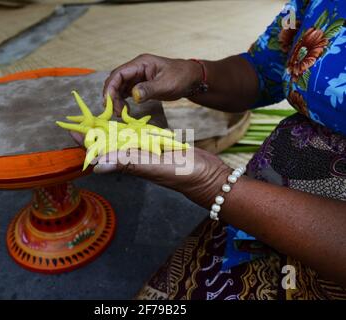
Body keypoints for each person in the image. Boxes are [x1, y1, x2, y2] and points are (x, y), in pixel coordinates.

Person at [87, 0, 346, 299]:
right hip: (252, 203)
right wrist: (195, 75)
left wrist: (215, 183)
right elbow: (264, 68)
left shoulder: (221, 186)